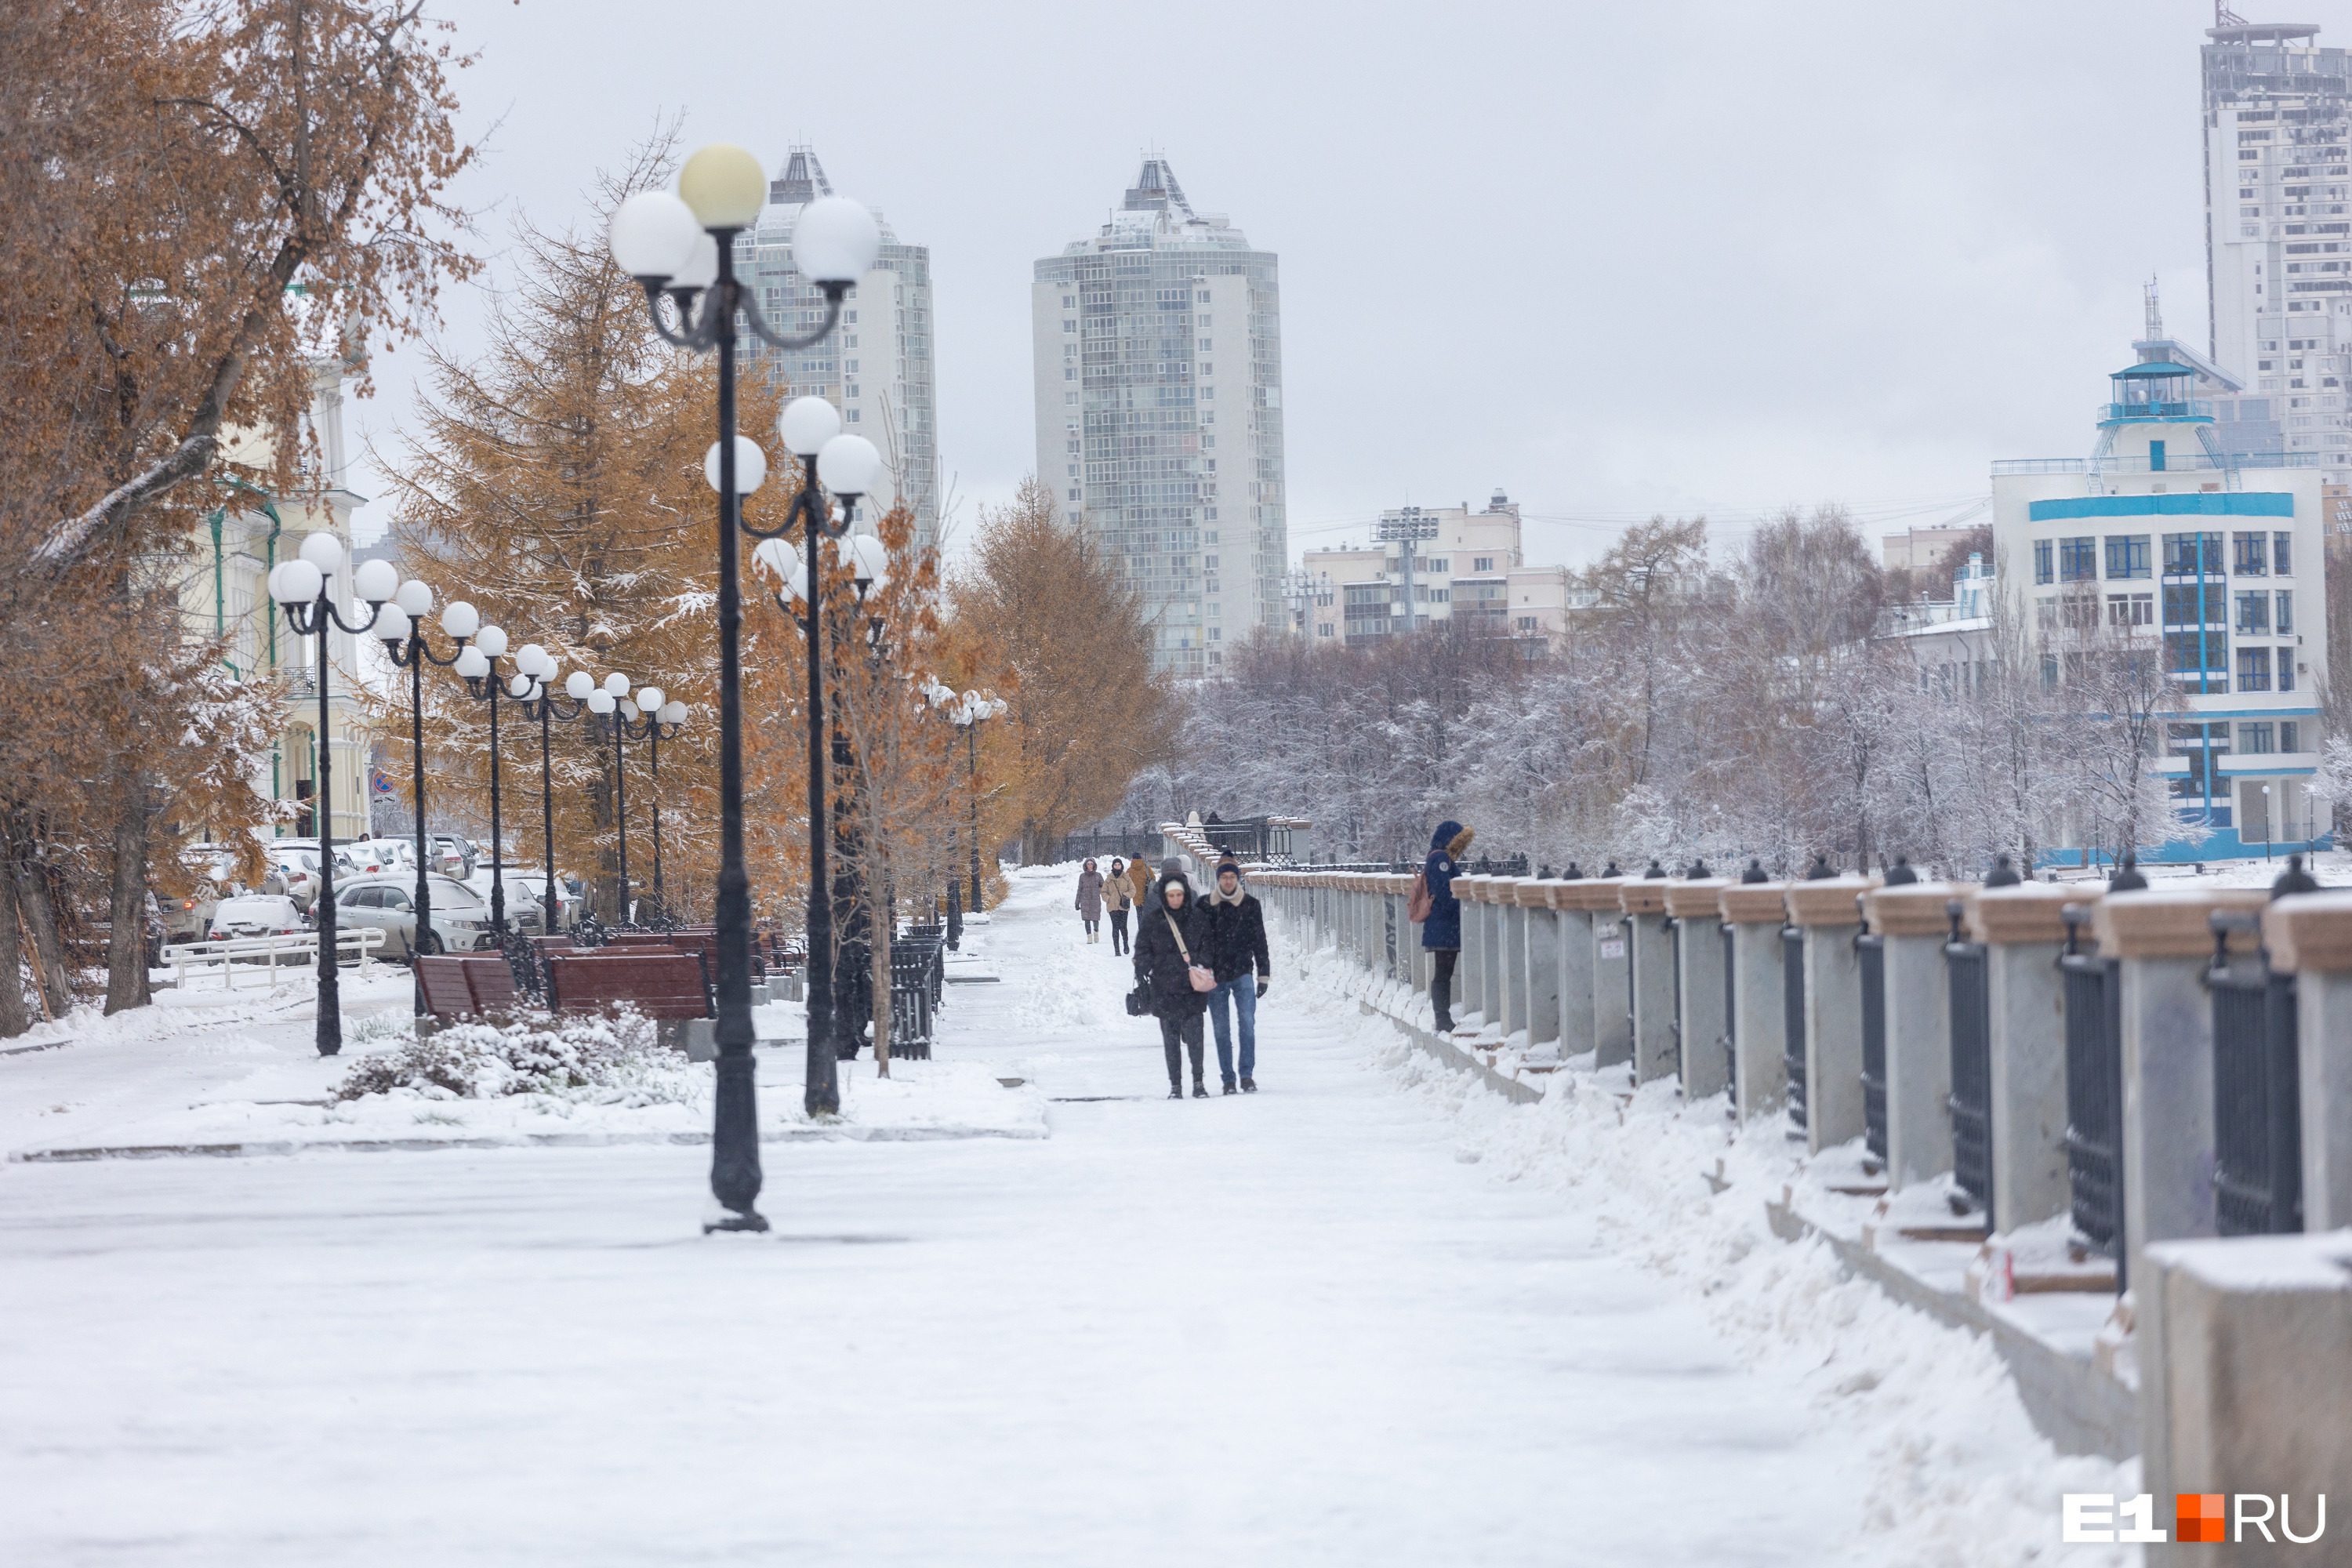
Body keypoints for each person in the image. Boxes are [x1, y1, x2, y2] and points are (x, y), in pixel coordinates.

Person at [1133, 866, 1213, 1098]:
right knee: (1171, 1042)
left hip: (1191, 989)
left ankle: (1198, 1082)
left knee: (1196, 1041)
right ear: (1165, 896)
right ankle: (1175, 1086)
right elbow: (1143, 948)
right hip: (1164, 988)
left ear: (1185, 894)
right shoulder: (1154, 920)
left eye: (1179, 895)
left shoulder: (1197, 918)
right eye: (1171, 895)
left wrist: (1202, 963)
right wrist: (1144, 967)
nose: (1176, 899)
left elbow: (1209, 945)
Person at [1200, 857, 1270, 1093]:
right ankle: (1229, 1079)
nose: (1228, 881)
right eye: (1224, 877)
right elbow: (1198, 941)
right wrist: (1203, 967)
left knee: (1248, 1024)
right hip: (1215, 975)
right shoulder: (1206, 905)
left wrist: (1264, 975)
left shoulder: (1250, 904)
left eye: (1232, 877)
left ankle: (1247, 1076)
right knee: (1221, 1029)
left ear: (1238, 878)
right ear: (1218, 879)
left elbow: (1260, 941)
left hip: (1242, 972)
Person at [1421, 819, 1472, 1033]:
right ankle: (1442, 1018)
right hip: (1444, 925)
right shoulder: (1441, 858)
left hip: (1442, 925)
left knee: (1444, 971)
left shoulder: (1439, 857)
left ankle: (1442, 1016)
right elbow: (1443, 892)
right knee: (1443, 972)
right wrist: (1461, 908)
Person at [1104, 858, 1134, 955]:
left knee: (1123, 926)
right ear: (1113, 866)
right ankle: (1117, 949)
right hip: (1112, 906)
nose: (1117, 866)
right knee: (1115, 927)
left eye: (1119, 865)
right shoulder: (1109, 879)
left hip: (1123, 906)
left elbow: (1133, 890)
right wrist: (1108, 898)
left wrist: (1126, 896)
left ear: (1121, 866)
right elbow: (1103, 892)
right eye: (1115, 865)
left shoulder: (1126, 877)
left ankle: (1125, 944)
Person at [1075, 858, 1105, 943]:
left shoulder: (1098, 875)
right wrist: (1077, 902)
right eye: (1088, 864)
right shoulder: (1082, 876)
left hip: (1095, 901)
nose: (1090, 865)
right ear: (1086, 865)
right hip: (1085, 901)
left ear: (1094, 865)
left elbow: (1104, 887)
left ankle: (1096, 932)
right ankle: (1089, 937)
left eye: (1091, 864)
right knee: (1086, 920)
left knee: (1096, 920)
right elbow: (1079, 889)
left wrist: (1097, 891)